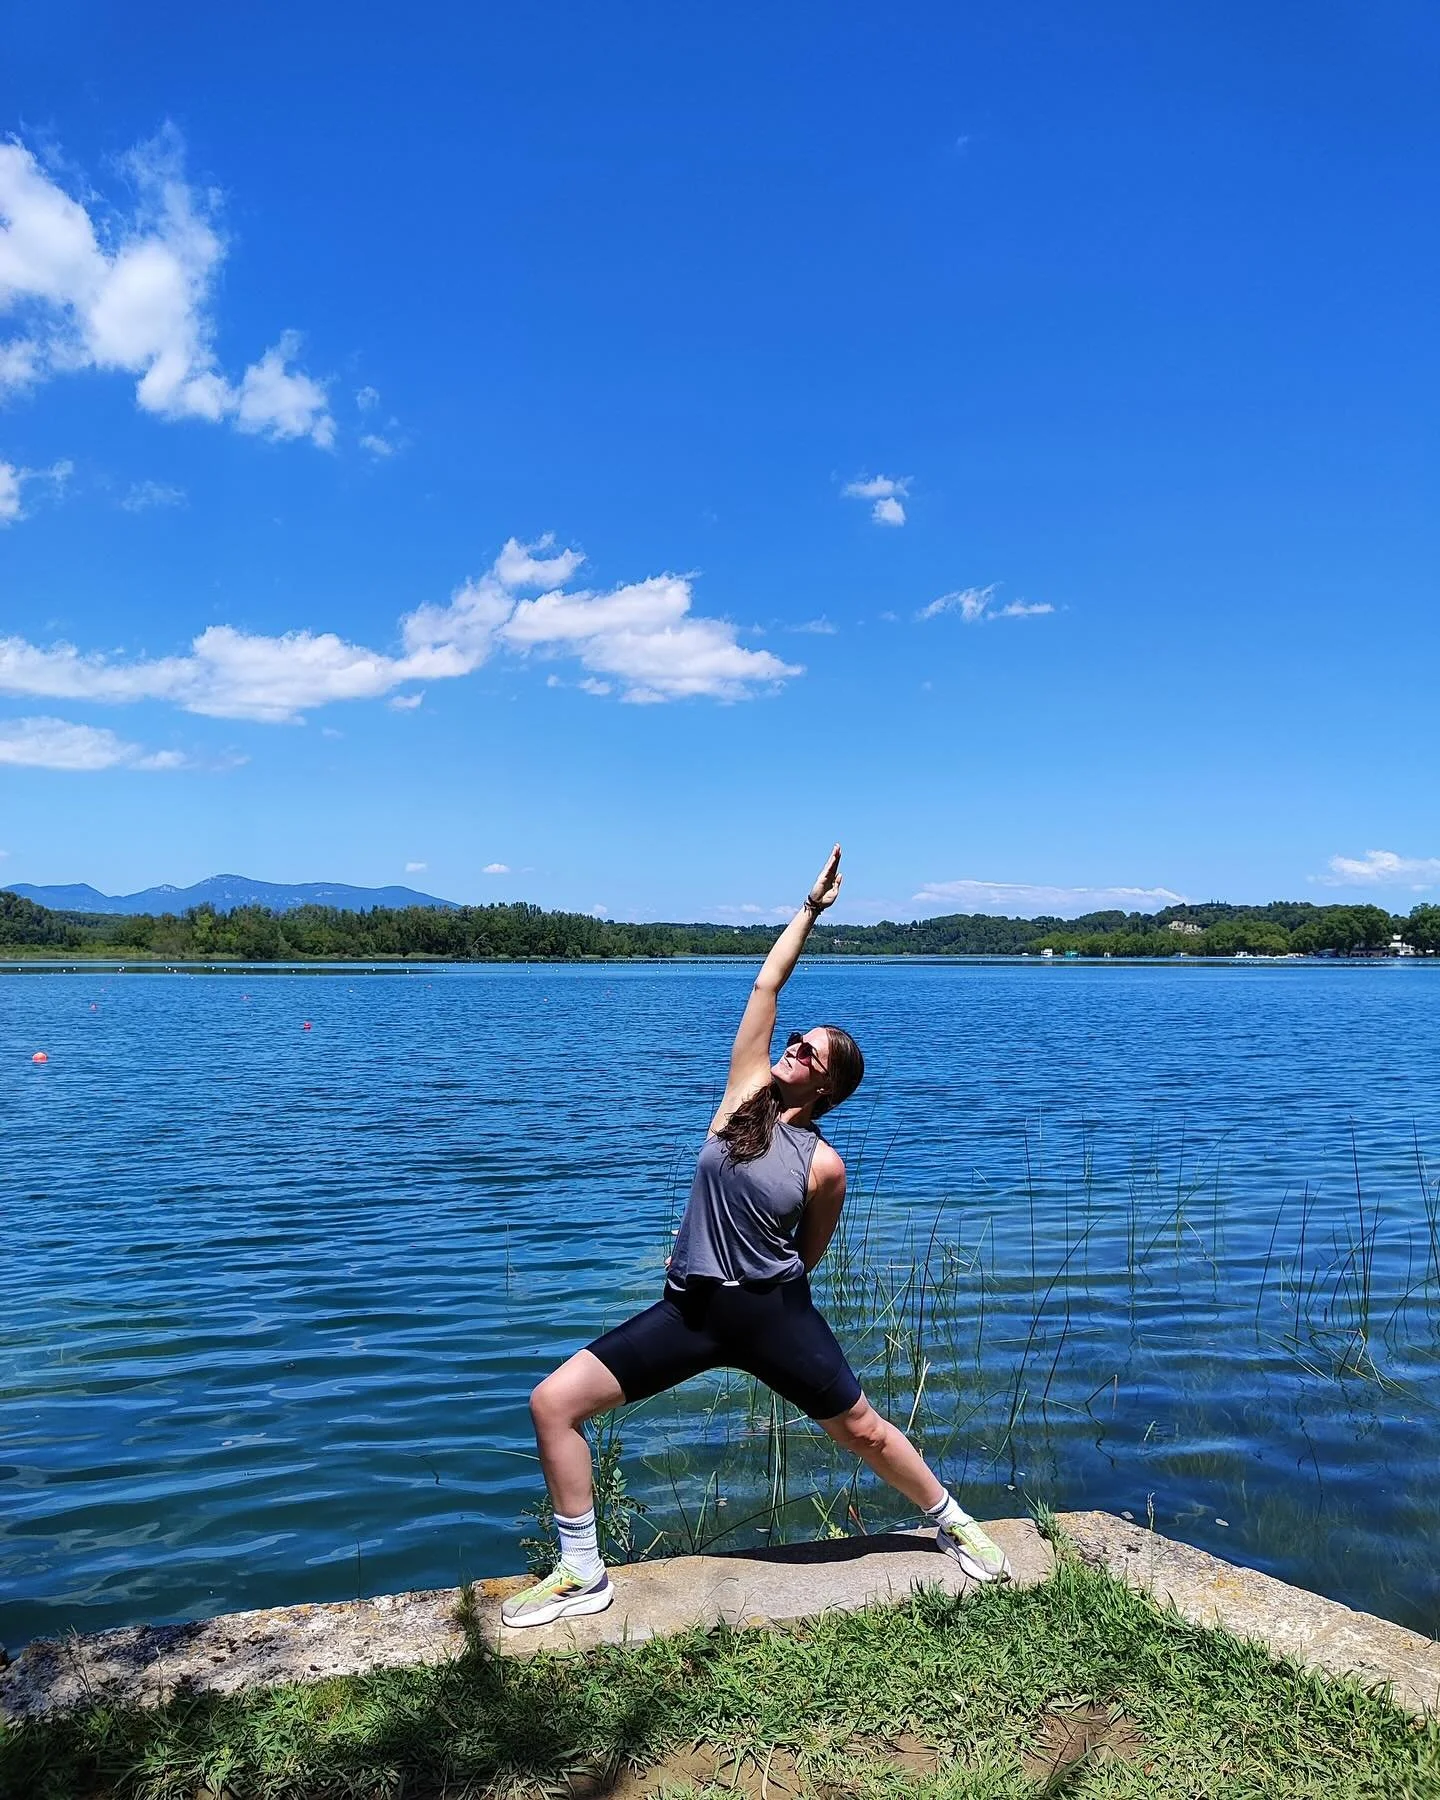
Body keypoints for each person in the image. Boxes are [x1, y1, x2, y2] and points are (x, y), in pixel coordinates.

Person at [502, 845, 1011, 1627]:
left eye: (808, 1052)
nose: (792, 1049)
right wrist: (811, 907)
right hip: (689, 1312)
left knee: (863, 1431)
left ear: (828, 1086)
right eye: (797, 1040)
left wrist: (764, 1287)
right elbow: (767, 983)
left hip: (771, 1312)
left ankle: (951, 1520)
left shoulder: (825, 1166)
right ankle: (581, 1572)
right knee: (552, 1404)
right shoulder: (745, 1095)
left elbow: (809, 1251)